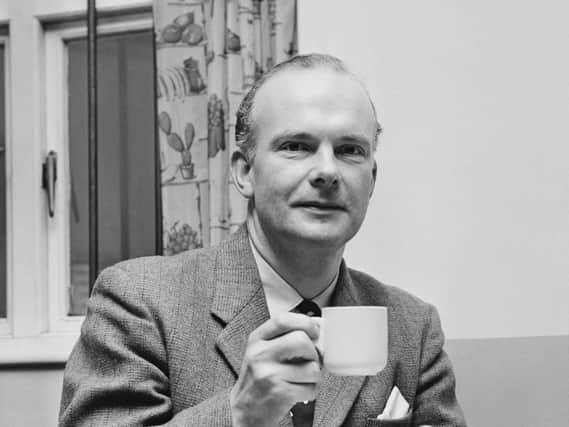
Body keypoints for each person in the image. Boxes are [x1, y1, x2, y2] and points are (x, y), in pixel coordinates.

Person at [59, 53, 466, 427]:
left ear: (371, 180)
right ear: (244, 172)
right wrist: (237, 414)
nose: (328, 171)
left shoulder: (413, 329)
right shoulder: (139, 303)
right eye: (296, 146)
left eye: (349, 150)